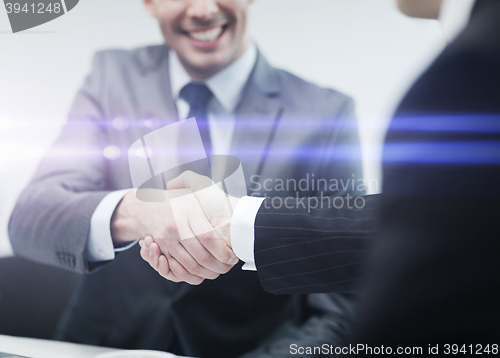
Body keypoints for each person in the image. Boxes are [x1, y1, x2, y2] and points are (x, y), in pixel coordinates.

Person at [8, 0, 365, 356]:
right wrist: (135, 211)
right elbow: (31, 217)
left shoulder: (325, 113)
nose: (202, 9)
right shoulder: (112, 76)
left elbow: (345, 305)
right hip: (105, 346)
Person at [142, 0, 500, 346]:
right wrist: (238, 222)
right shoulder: (120, 79)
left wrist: (234, 224)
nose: (202, 9)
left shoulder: (475, 67)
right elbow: (435, 223)